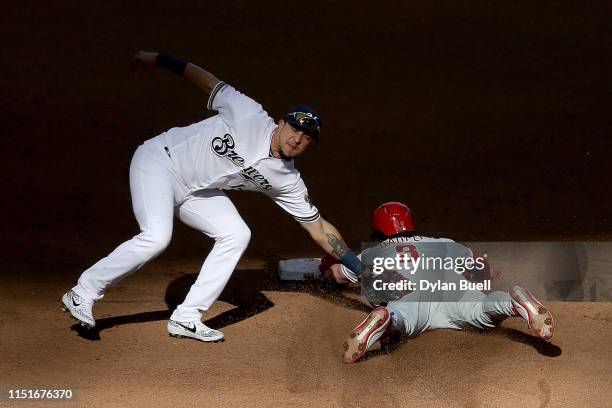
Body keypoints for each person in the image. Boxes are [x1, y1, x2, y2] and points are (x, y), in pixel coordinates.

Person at [61, 51, 365, 342]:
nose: (297, 139)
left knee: (236, 233)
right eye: (295, 129)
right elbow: (205, 80)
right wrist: (158, 60)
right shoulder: (248, 114)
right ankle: (82, 292)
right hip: (159, 161)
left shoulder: (287, 180)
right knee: (156, 236)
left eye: (307, 138)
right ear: (282, 123)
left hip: (195, 191)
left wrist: (357, 266)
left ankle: (187, 317)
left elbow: (319, 228)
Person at [319, 202, 555, 363]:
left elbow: (338, 273)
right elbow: (479, 267)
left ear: (380, 232)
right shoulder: (441, 241)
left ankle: (386, 319)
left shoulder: (374, 253)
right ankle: (513, 303)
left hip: (409, 295)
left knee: (401, 320)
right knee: (483, 309)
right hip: (449, 288)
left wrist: (327, 276)